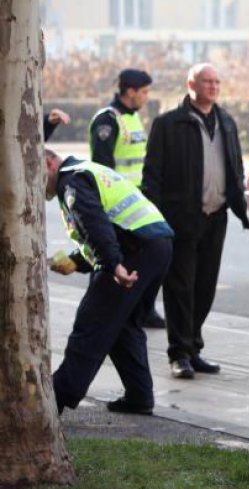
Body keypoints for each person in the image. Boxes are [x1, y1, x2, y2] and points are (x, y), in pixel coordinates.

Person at [142, 63, 249, 379]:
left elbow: (236, 165)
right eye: (207, 81)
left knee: (204, 288)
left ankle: (195, 349)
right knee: (179, 289)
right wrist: (154, 221)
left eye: (217, 81)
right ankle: (179, 354)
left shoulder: (227, 122)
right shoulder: (167, 124)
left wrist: (238, 199)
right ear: (191, 83)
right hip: (180, 220)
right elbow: (153, 175)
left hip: (216, 217)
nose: (214, 86)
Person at [45, 149, 174, 416]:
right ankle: (139, 396)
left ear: (48, 162)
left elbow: (94, 224)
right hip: (156, 246)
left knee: (92, 324)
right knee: (125, 325)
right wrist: (78, 261)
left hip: (132, 252)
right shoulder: (85, 169)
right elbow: (108, 226)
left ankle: (55, 399)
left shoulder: (71, 181)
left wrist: (114, 265)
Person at [89, 67, 167, 329]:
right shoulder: (107, 120)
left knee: (148, 257)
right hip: (118, 205)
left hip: (137, 201)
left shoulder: (132, 118)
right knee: (113, 259)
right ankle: (105, 309)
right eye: (143, 92)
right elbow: (103, 166)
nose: (146, 97)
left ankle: (144, 309)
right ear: (130, 91)